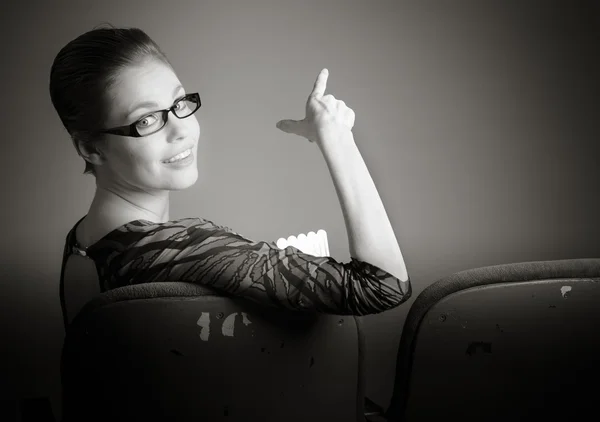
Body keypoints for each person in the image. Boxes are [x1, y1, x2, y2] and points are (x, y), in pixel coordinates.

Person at [51, 25, 411, 327]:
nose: (180, 130)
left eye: (179, 104)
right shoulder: (180, 249)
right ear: (91, 149)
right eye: (146, 120)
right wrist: (337, 139)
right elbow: (383, 284)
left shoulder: (83, 241)